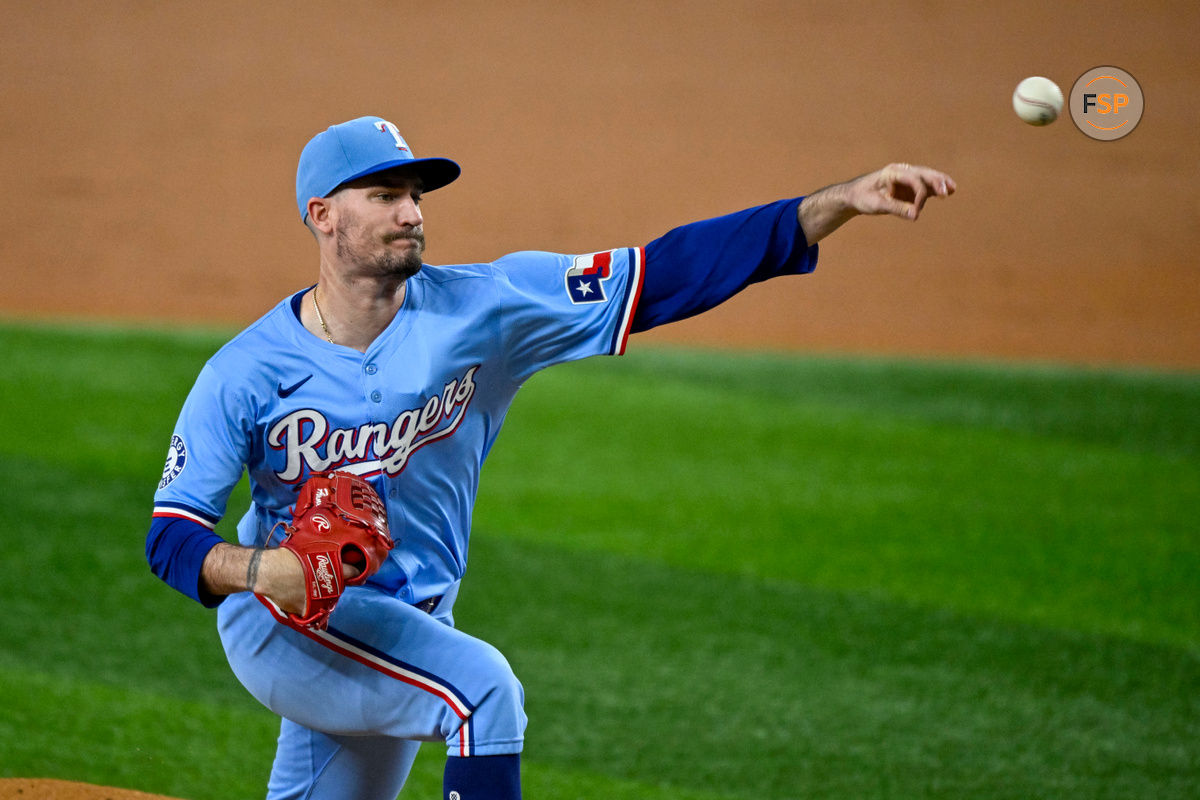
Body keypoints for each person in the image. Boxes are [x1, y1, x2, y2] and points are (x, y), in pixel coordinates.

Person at [146, 115, 955, 800]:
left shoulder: (487, 309)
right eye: (385, 195)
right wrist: (264, 572)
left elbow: (666, 273)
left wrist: (838, 204)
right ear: (323, 215)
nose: (411, 214)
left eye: (416, 196)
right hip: (289, 621)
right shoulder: (246, 373)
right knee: (480, 692)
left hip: (409, 619)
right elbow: (172, 536)